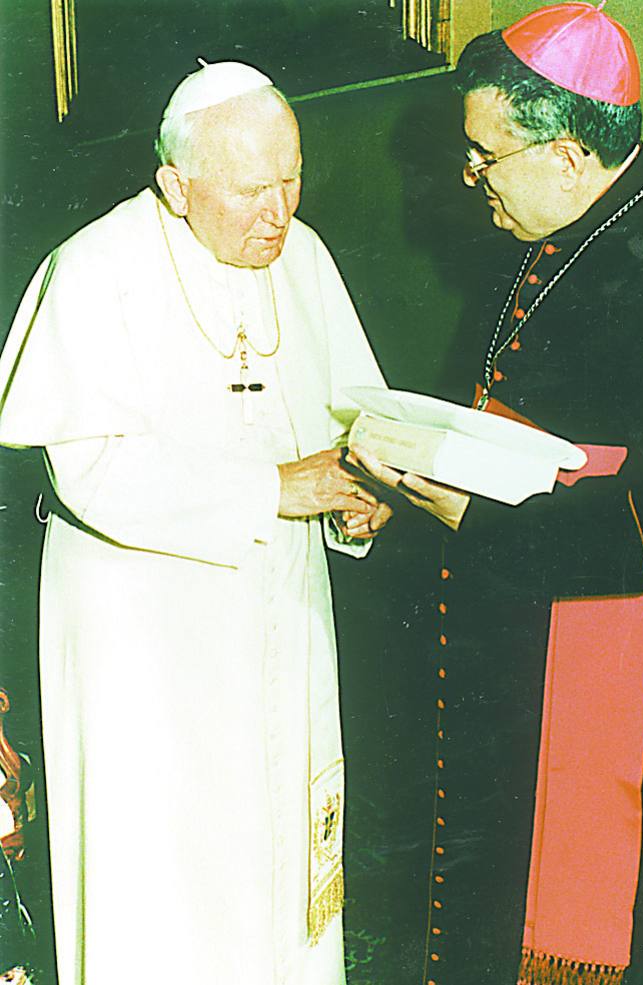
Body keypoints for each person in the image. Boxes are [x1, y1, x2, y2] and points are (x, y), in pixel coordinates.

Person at [354, 4, 643, 983]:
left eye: (484, 156)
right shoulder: (548, 235)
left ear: (565, 153)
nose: (470, 180)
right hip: (521, 640)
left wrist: (476, 518)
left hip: (639, 666)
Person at [0, 60, 391, 985]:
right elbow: (90, 468)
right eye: (252, 190)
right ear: (177, 186)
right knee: (166, 877)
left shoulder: (306, 258)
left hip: (281, 611)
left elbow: (353, 419)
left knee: (279, 859)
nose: (280, 212)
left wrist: (363, 497)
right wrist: (273, 492)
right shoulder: (94, 269)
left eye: (292, 178)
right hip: (142, 633)